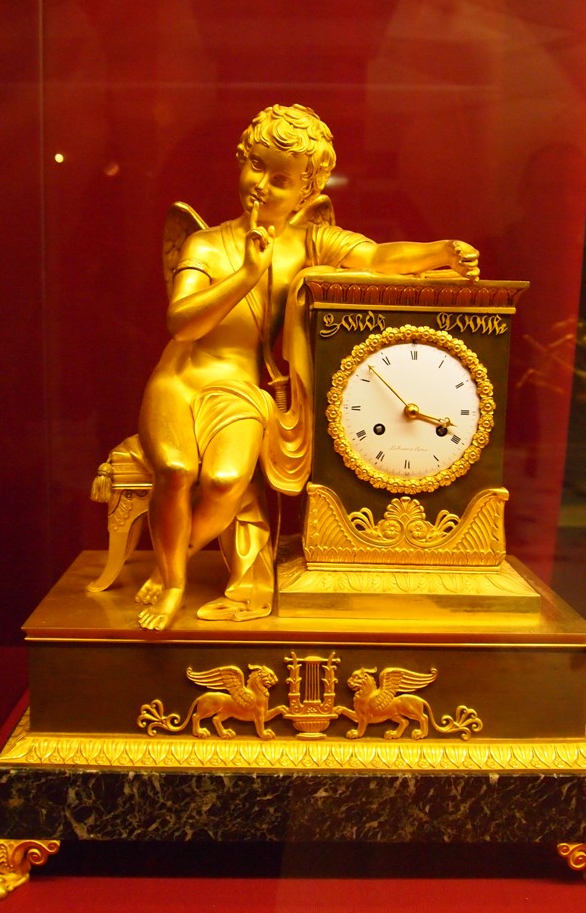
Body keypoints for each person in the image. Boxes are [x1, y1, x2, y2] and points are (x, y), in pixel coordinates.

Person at [136, 103, 479, 630]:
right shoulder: (207, 243)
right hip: (179, 382)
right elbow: (181, 324)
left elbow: (376, 259)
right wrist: (247, 273)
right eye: (256, 167)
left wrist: (442, 251)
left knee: (226, 481)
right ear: (241, 160)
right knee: (177, 470)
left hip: (237, 390)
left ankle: (170, 557)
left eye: (280, 180)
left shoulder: (310, 242)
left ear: (305, 192)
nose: (261, 186)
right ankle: (173, 584)